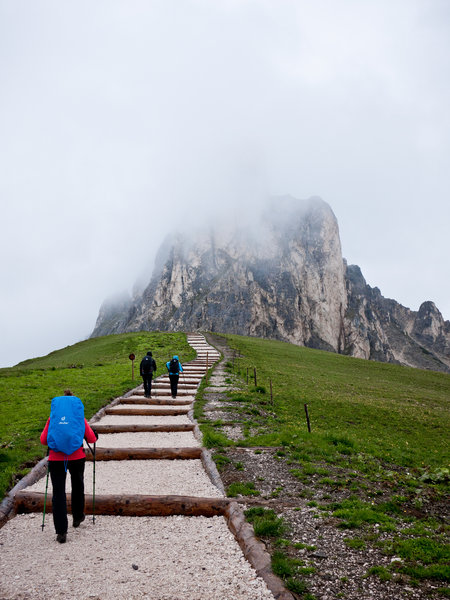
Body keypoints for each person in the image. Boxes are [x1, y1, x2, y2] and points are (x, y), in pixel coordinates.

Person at [40, 389, 98, 544]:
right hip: (77, 457)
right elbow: (91, 438)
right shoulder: (79, 418)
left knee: (58, 492)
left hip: (56, 459)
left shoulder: (53, 418)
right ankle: (78, 517)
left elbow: (43, 440)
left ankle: (61, 531)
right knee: (77, 485)